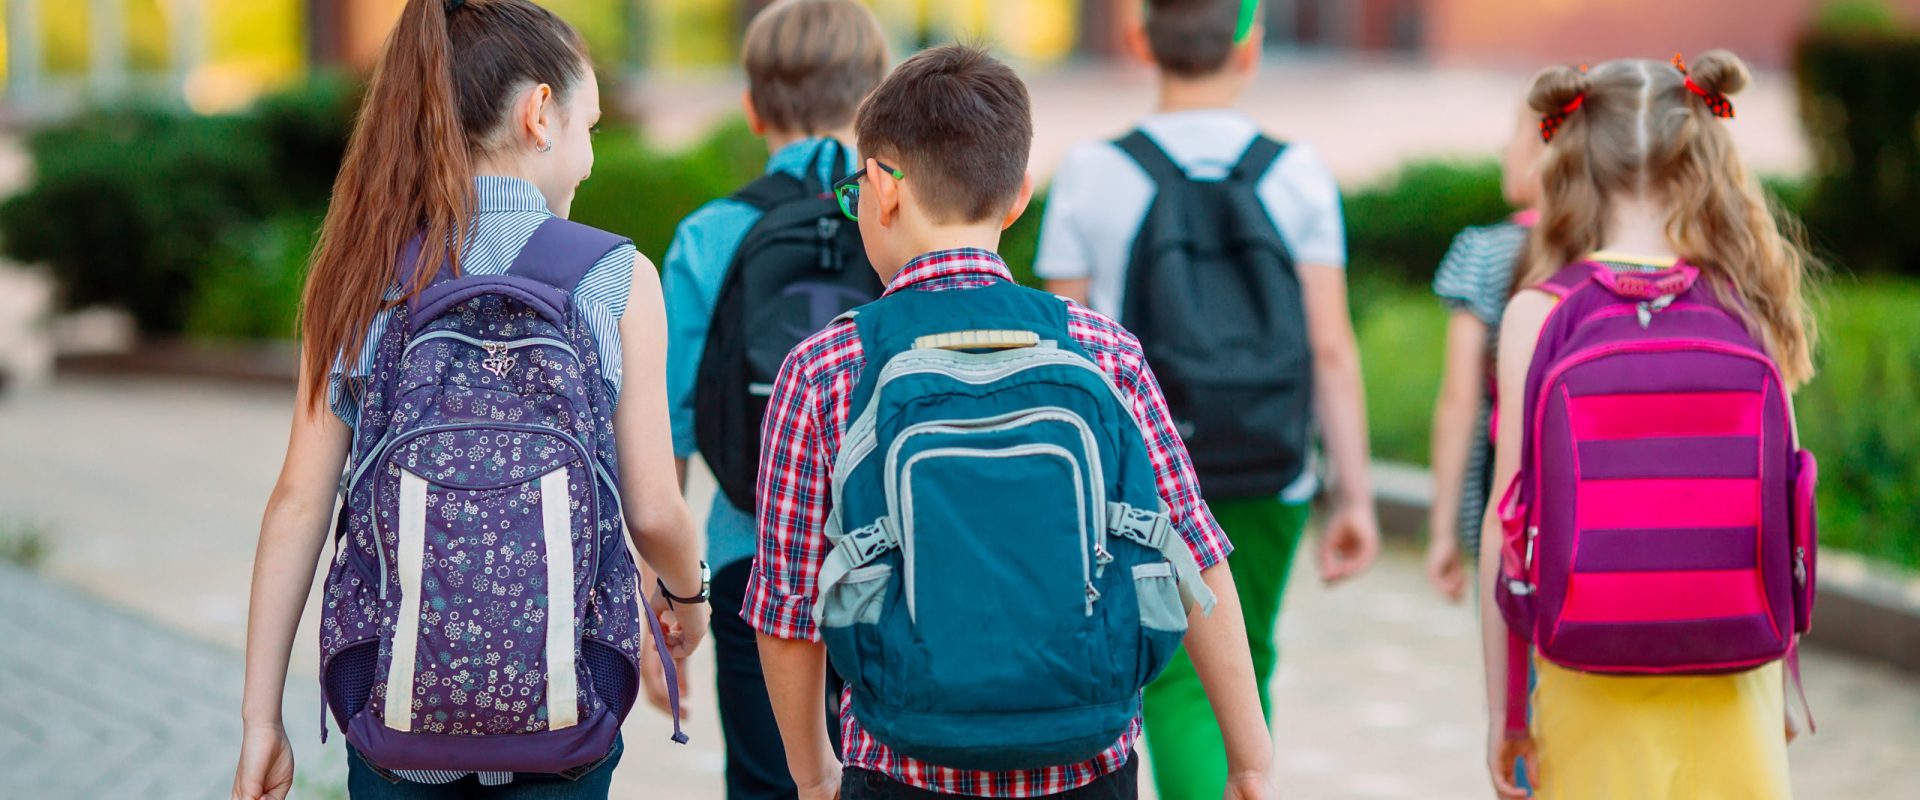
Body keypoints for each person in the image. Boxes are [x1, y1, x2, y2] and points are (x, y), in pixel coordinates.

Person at [747, 44, 1278, 800]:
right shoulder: (1103, 350)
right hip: (1088, 763)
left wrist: (812, 773)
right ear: (1020, 194)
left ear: (882, 189)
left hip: (903, 766)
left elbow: (788, 605)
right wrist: (1250, 761)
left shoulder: (825, 368)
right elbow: (1197, 553)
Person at [231, 2, 708, 798]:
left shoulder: (360, 274)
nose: (590, 157)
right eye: (588, 126)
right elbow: (654, 512)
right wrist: (687, 603)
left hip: (394, 709)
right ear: (539, 115)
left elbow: (297, 505)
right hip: (566, 710)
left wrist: (260, 720)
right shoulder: (618, 280)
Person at [1036, 2, 1378, 797]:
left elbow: (1069, 349)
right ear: (1249, 45)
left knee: (1175, 677)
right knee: (1249, 653)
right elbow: (1330, 344)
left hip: (1141, 475)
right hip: (1271, 461)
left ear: (1137, 41)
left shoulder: (1092, 170)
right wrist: (1354, 492)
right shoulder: (1297, 171)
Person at [1479, 52, 1818, 800]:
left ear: (1570, 156)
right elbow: (1787, 501)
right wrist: (1786, 672)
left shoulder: (1540, 313)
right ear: (1704, 153)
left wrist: (1506, 713)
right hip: (1737, 670)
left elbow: (1505, 528)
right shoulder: (1748, 303)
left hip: (1586, 671)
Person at [659, 0, 887, 797]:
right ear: (875, 99)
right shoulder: (896, 218)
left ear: (752, 104)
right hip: (892, 552)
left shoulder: (709, 234)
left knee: (768, 779)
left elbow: (673, 423)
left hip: (746, 550)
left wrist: (663, 582)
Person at [1423, 103, 1546, 601]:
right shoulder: (1612, 258)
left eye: (1516, 134)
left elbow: (1460, 400)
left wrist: (1443, 530)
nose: (1504, 150)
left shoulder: (1486, 252)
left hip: (1506, 514)